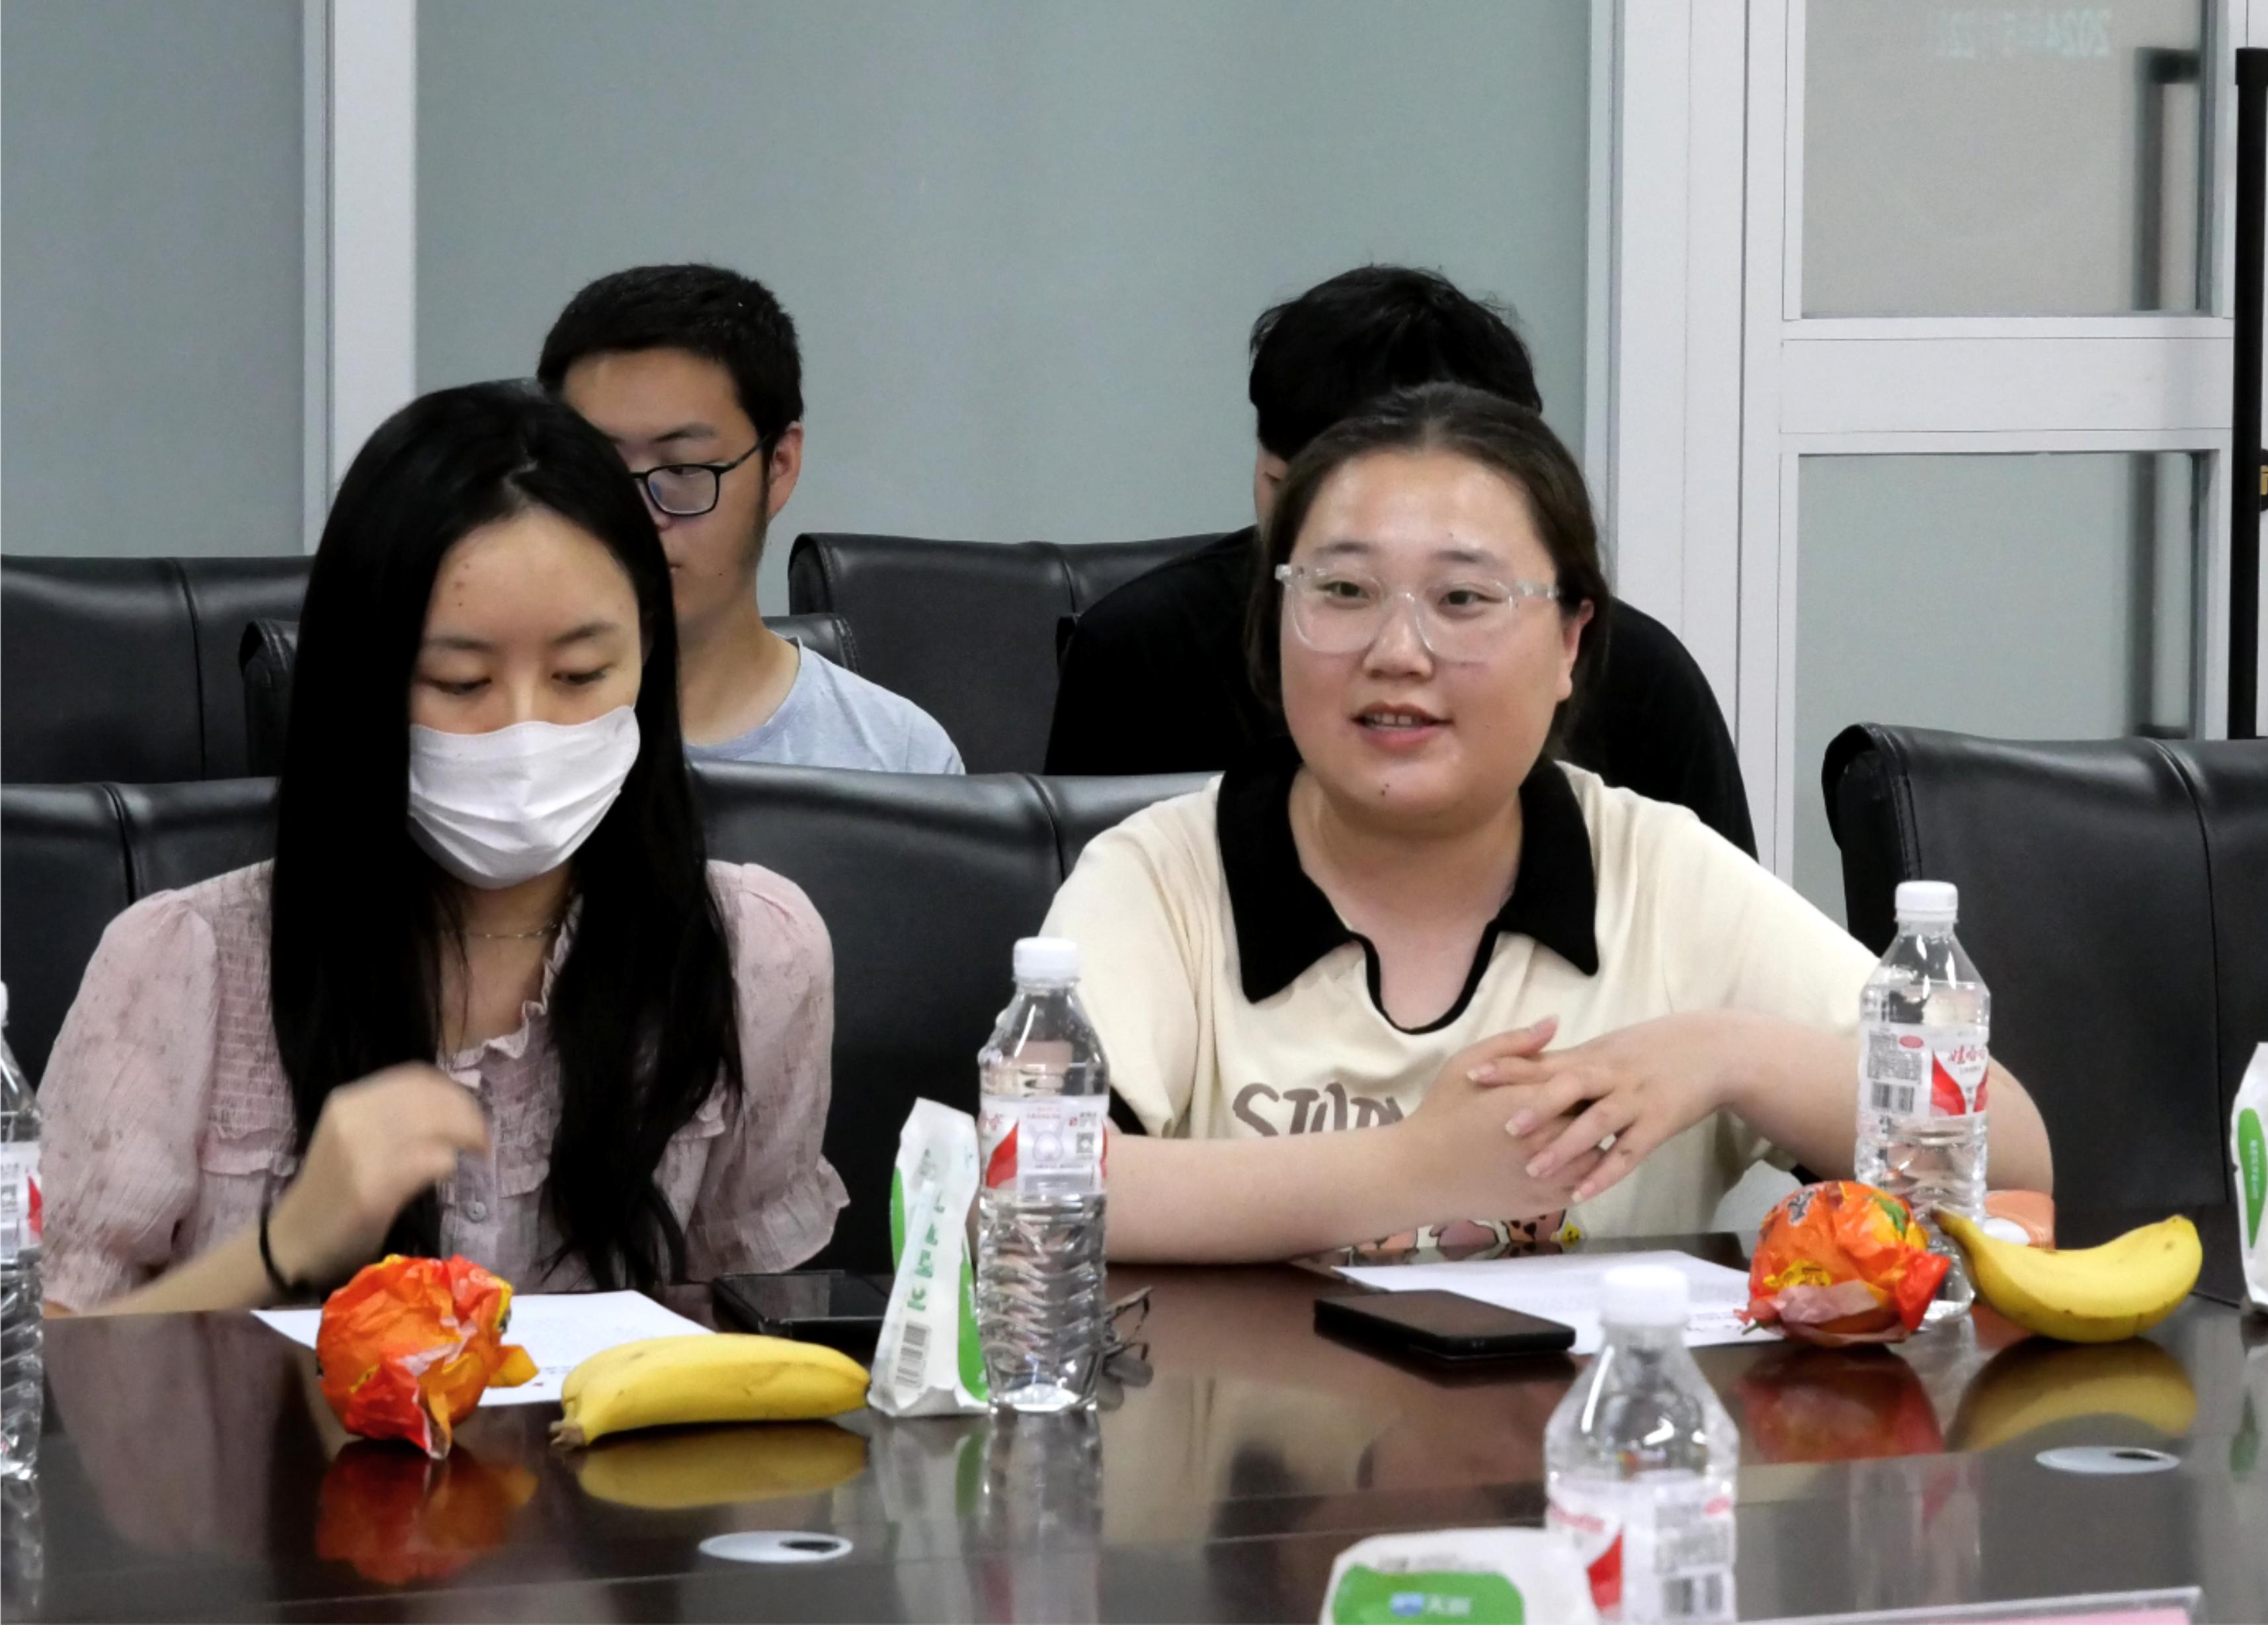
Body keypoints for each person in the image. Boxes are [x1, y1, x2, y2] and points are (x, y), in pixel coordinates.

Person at [1041, 382, 2052, 1263]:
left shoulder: (1658, 874)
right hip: (1239, 1429)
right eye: (1342, 590)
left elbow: (2010, 1155)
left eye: (1462, 597)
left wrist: (1730, 1056)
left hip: (1600, 1424)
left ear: (1570, 639)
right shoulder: (1161, 875)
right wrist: (1412, 1169)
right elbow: (1031, 1183)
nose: (1397, 650)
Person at [38, 383, 846, 1312]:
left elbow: (753, 1331)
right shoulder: (181, 966)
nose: (525, 731)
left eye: (581, 673)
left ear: (648, 655)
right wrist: (285, 1243)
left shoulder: (753, 954)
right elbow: (44, 1369)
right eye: (459, 681)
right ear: (362, 684)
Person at [1043, 266, 1758, 854]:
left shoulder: (1642, 683)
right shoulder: (1142, 657)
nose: (1397, 650)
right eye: (1286, 494)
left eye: (1461, 596)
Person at [539, 263, 962, 774]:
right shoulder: (498, 732)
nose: (637, 517)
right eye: (598, 468)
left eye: (683, 468)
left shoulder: (897, 757)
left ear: (778, 466)